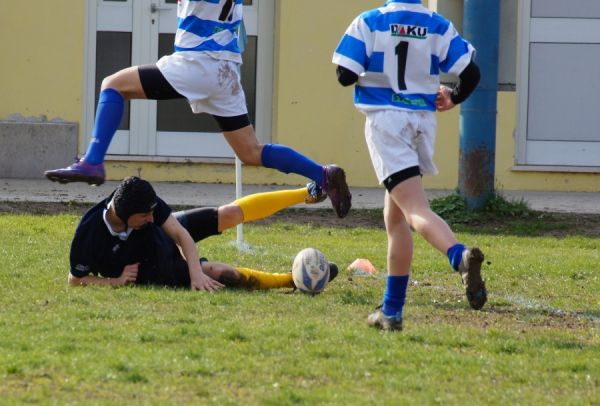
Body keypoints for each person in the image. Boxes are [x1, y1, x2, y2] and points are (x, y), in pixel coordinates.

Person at [45, 0, 351, 219]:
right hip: (226, 71)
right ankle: (322, 174)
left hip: (197, 64)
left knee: (113, 85)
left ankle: (93, 162)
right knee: (250, 151)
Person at [332, 0, 486, 331]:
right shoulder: (438, 24)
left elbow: (344, 75)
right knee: (395, 217)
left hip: (388, 125)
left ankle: (459, 257)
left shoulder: (370, 21)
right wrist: (454, 97)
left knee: (415, 211)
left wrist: (373, 67)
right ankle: (392, 311)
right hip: (420, 124)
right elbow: (471, 73)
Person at [68, 176, 338, 291]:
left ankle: (308, 192)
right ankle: (295, 280)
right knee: (220, 274)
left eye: (153, 213)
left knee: (228, 214)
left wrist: (194, 270)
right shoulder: (89, 233)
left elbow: (181, 235)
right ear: (124, 214)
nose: (152, 219)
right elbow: (75, 280)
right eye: (145, 216)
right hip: (156, 266)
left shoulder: (144, 202)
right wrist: (114, 282)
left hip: (166, 239)